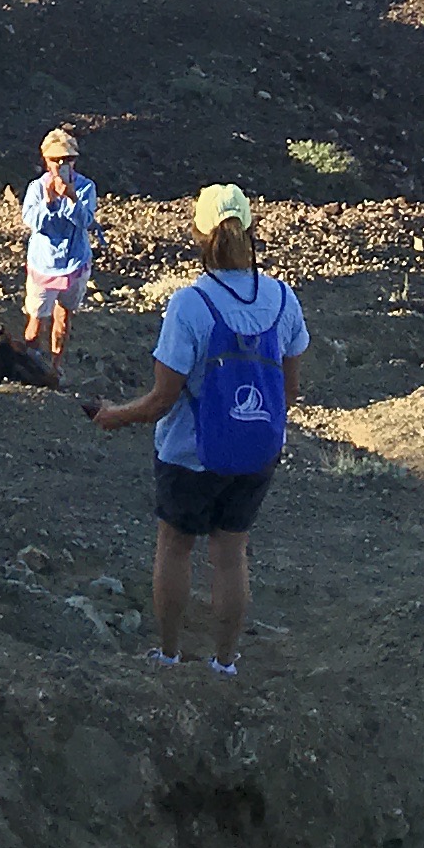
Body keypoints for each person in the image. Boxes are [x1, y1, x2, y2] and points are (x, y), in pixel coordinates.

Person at [85, 185, 303, 673]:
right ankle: (225, 663)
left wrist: (113, 415)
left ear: (200, 235)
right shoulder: (282, 298)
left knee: (175, 547)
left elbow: (161, 399)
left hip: (188, 454)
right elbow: (288, 390)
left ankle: (168, 654)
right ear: (250, 229)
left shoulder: (190, 305)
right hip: (256, 452)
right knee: (231, 555)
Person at [14, 128, 104, 376]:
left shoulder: (85, 187)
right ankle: (30, 365)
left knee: (63, 317)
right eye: (56, 159)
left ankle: (56, 366)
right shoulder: (36, 188)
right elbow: (33, 221)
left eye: (68, 159)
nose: (62, 165)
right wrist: (50, 202)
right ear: (46, 160)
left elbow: (85, 221)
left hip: (74, 262)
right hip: (44, 264)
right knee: (36, 319)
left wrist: (72, 199)